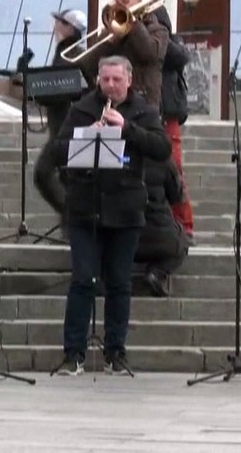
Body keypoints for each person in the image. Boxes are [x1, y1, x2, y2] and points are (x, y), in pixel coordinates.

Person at [53, 55, 170, 375]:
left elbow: (161, 148)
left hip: (125, 207)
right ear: (98, 80)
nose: (110, 86)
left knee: (119, 282)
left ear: (129, 80)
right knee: (83, 279)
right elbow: (57, 150)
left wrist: (126, 128)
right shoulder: (81, 109)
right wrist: (85, 135)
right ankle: (73, 353)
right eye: (105, 80)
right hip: (84, 207)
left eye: (117, 80)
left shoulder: (144, 111)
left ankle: (115, 352)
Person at [32, 10, 88, 222]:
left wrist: (42, 91)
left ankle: (72, 218)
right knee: (62, 176)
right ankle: (72, 220)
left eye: (60, 22)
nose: (55, 26)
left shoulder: (73, 54)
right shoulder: (65, 51)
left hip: (67, 126)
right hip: (61, 124)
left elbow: (70, 88)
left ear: (69, 28)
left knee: (44, 173)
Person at [82, 0, 169, 111]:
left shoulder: (157, 30)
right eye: (117, 3)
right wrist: (109, 42)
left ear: (139, 3)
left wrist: (132, 24)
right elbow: (89, 65)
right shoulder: (110, 31)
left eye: (125, 3)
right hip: (112, 102)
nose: (120, 7)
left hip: (144, 102)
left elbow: (150, 55)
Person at [152, 6, 194, 242]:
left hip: (167, 114)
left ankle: (185, 225)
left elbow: (180, 57)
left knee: (174, 169)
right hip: (146, 111)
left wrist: (155, 31)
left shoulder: (170, 41)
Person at [136, 158, 189, 298]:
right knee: (182, 241)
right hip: (161, 234)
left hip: (126, 234)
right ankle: (156, 273)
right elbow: (176, 197)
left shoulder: (120, 157)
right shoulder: (163, 160)